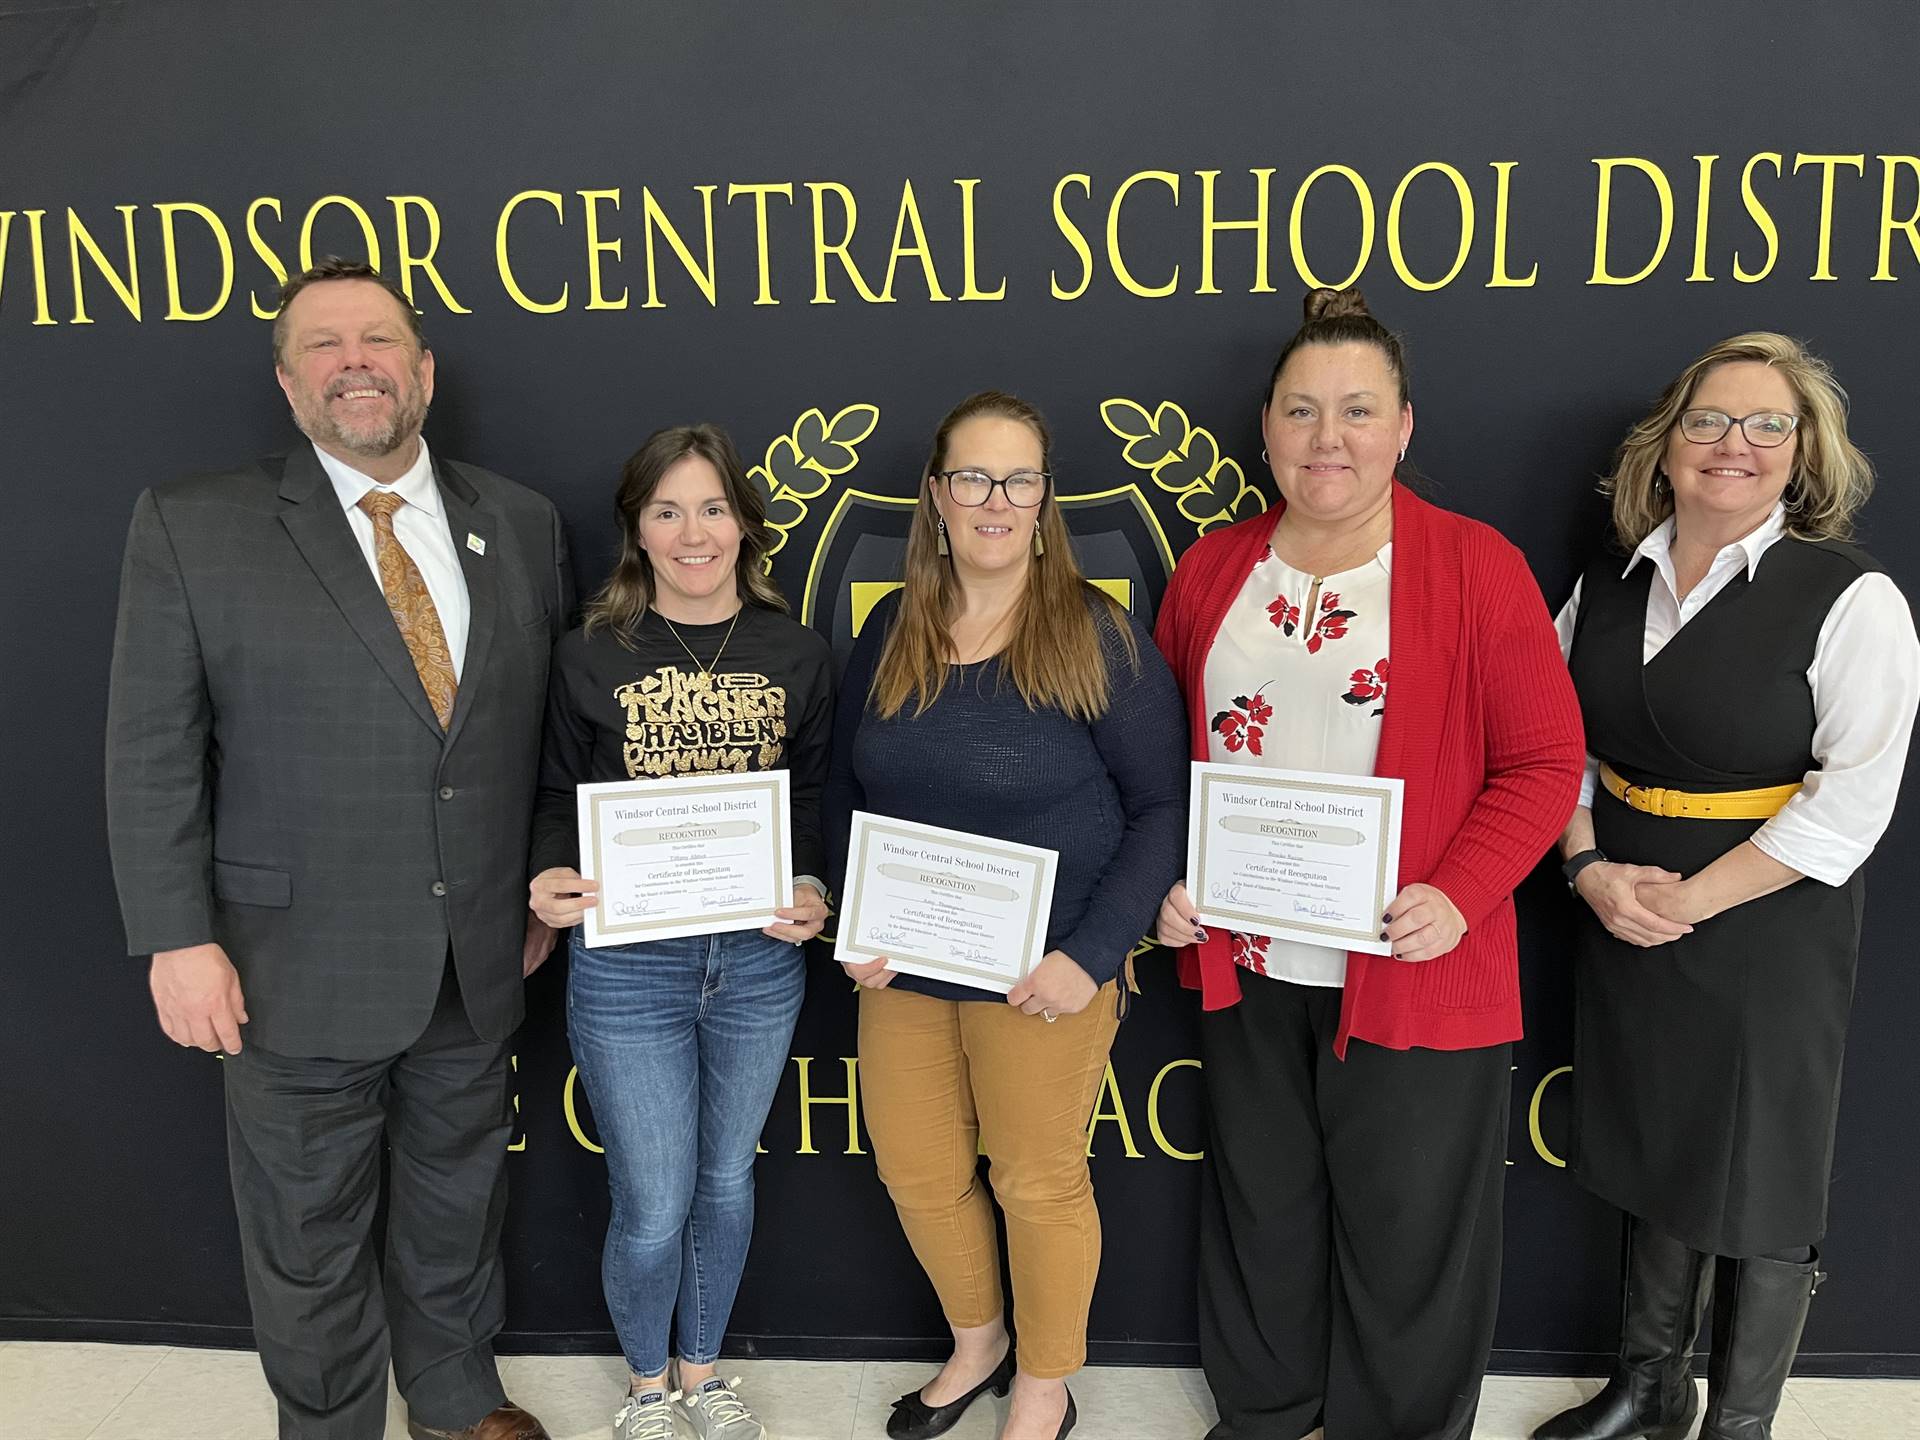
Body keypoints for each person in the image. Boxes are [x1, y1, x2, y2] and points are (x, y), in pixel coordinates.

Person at [104, 258, 569, 1440]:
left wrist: (533, 882)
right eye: (324, 344)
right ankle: (329, 1427)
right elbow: (152, 750)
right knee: (306, 1235)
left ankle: (457, 1399)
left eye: (378, 338)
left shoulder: (515, 522)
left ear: (424, 369)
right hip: (284, 963)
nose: (354, 360)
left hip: (476, 957)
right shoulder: (194, 523)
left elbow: (543, 734)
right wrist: (176, 937)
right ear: (285, 379)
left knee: (459, 1204)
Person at [1152, 287, 1587, 1440]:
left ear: (1404, 427)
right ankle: (1265, 1409)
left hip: (1415, 964)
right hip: (1247, 960)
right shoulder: (1211, 573)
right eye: (1301, 410)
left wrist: (1459, 894)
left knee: (1411, 1236)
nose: (1326, 438)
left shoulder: (1475, 565)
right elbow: (1157, 763)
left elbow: (1547, 762)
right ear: (1265, 429)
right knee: (1263, 1212)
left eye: (1356, 410)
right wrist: (1166, 883)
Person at [1533, 334, 1919, 1440]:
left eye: (1767, 426)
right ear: (1665, 447)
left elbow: (1852, 803)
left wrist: (1686, 901)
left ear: (1804, 454)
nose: (1733, 446)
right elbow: (1554, 745)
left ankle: (1738, 1424)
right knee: (1661, 1139)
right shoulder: (1605, 582)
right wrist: (1588, 868)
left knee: (1762, 1169)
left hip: (1767, 928)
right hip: (1621, 903)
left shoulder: (1853, 600)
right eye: (1708, 421)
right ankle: (1652, 1388)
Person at [824, 391, 1186, 1440]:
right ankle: (979, 1340)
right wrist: (855, 919)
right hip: (908, 965)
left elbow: (1162, 809)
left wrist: (1093, 954)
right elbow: (846, 788)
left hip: (1049, 971)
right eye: (973, 477)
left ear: (1043, 500)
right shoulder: (893, 624)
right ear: (936, 495)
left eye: (1018, 478)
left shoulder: (1094, 631)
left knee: (1036, 1181)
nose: (995, 499)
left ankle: (1044, 1381)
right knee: (919, 1173)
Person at [528, 424, 832, 1440]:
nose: (692, 532)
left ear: (745, 523)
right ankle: (647, 1387)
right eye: (667, 510)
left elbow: (823, 797)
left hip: (756, 960)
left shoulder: (798, 651)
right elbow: (554, 795)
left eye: (712, 508)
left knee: (726, 1182)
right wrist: (545, 874)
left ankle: (706, 1376)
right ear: (637, 530)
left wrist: (816, 885)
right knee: (654, 1200)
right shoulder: (587, 654)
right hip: (627, 964)